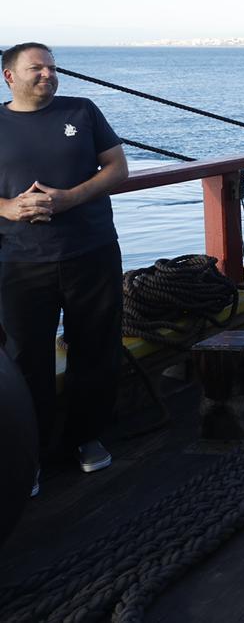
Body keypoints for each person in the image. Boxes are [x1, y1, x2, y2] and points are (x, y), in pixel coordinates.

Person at [0, 43, 129, 485]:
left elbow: (117, 168)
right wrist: (7, 209)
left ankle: (85, 438)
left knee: (95, 348)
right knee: (24, 358)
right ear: (9, 77)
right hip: (20, 261)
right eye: (36, 68)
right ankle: (28, 456)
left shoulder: (83, 111)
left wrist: (70, 198)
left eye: (52, 67)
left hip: (90, 251)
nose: (47, 74)